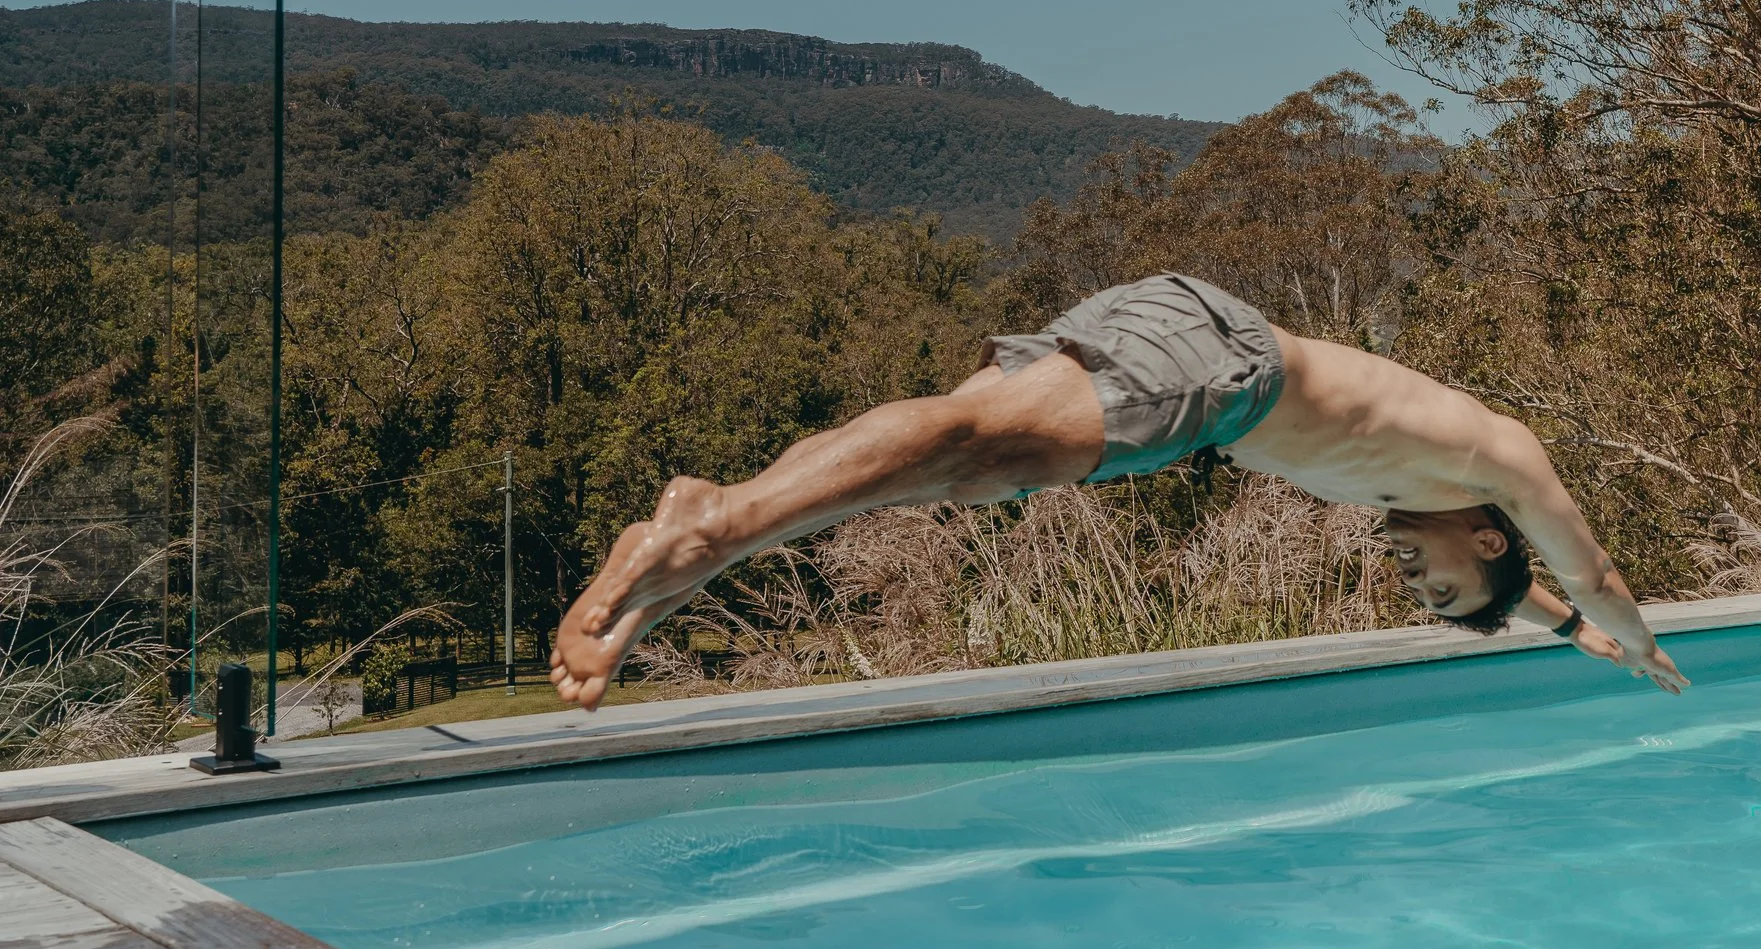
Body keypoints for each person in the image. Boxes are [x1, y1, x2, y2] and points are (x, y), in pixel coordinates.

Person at [550, 273, 1688, 709]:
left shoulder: (1435, 492)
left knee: (942, 463)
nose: (1407, 580)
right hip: (1222, 376)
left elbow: (1528, 587)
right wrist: (1628, 636)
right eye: (1439, 588)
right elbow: (1583, 562)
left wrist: (1551, 627)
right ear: (1487, 535)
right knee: (970, 446)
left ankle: (706, 537)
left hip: (1192, 350)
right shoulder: (1502, 460)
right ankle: (716, 520)